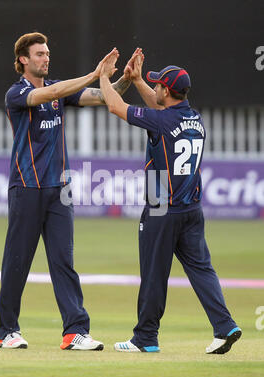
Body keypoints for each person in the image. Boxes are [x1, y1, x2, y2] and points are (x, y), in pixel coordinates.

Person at [99, 48, 242, 354]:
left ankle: (146, 338)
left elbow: (114, 105)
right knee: (202, 270)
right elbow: (162, 111)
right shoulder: (194, 118)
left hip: (162, 207)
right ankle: (225, 326)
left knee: (153, 273)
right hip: (192, 208)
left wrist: (102, 75)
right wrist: (137, 80)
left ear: (166, 90)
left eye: (158, 85)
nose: (155, 89)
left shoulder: (162, 122)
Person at [0, 32, 134, 350]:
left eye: (47, 53)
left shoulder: (60, 91)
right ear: (23, 60)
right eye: (39, 54)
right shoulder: (16, 94)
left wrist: (123, 80)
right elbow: (51, 93)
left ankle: (75, 332)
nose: (46, 58)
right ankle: (8, 331)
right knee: (18, 262)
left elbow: (103, 97)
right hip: (27, 187)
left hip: (60, 191)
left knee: (63, 262)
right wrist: (94, 73)